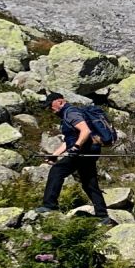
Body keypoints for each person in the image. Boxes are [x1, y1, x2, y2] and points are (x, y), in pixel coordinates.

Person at [33, 94, 115, 224]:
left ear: (59, 101)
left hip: (84, 150)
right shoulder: (70, 114)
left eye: (50, 105)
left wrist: (76, 148)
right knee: (89, 182)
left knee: (57, 171)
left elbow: (85, 131)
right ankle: (102, 215)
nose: (49, 108)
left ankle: (49, 205)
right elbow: (70, 140)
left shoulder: (70, 113)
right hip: (90, 150)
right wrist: (55, 154)